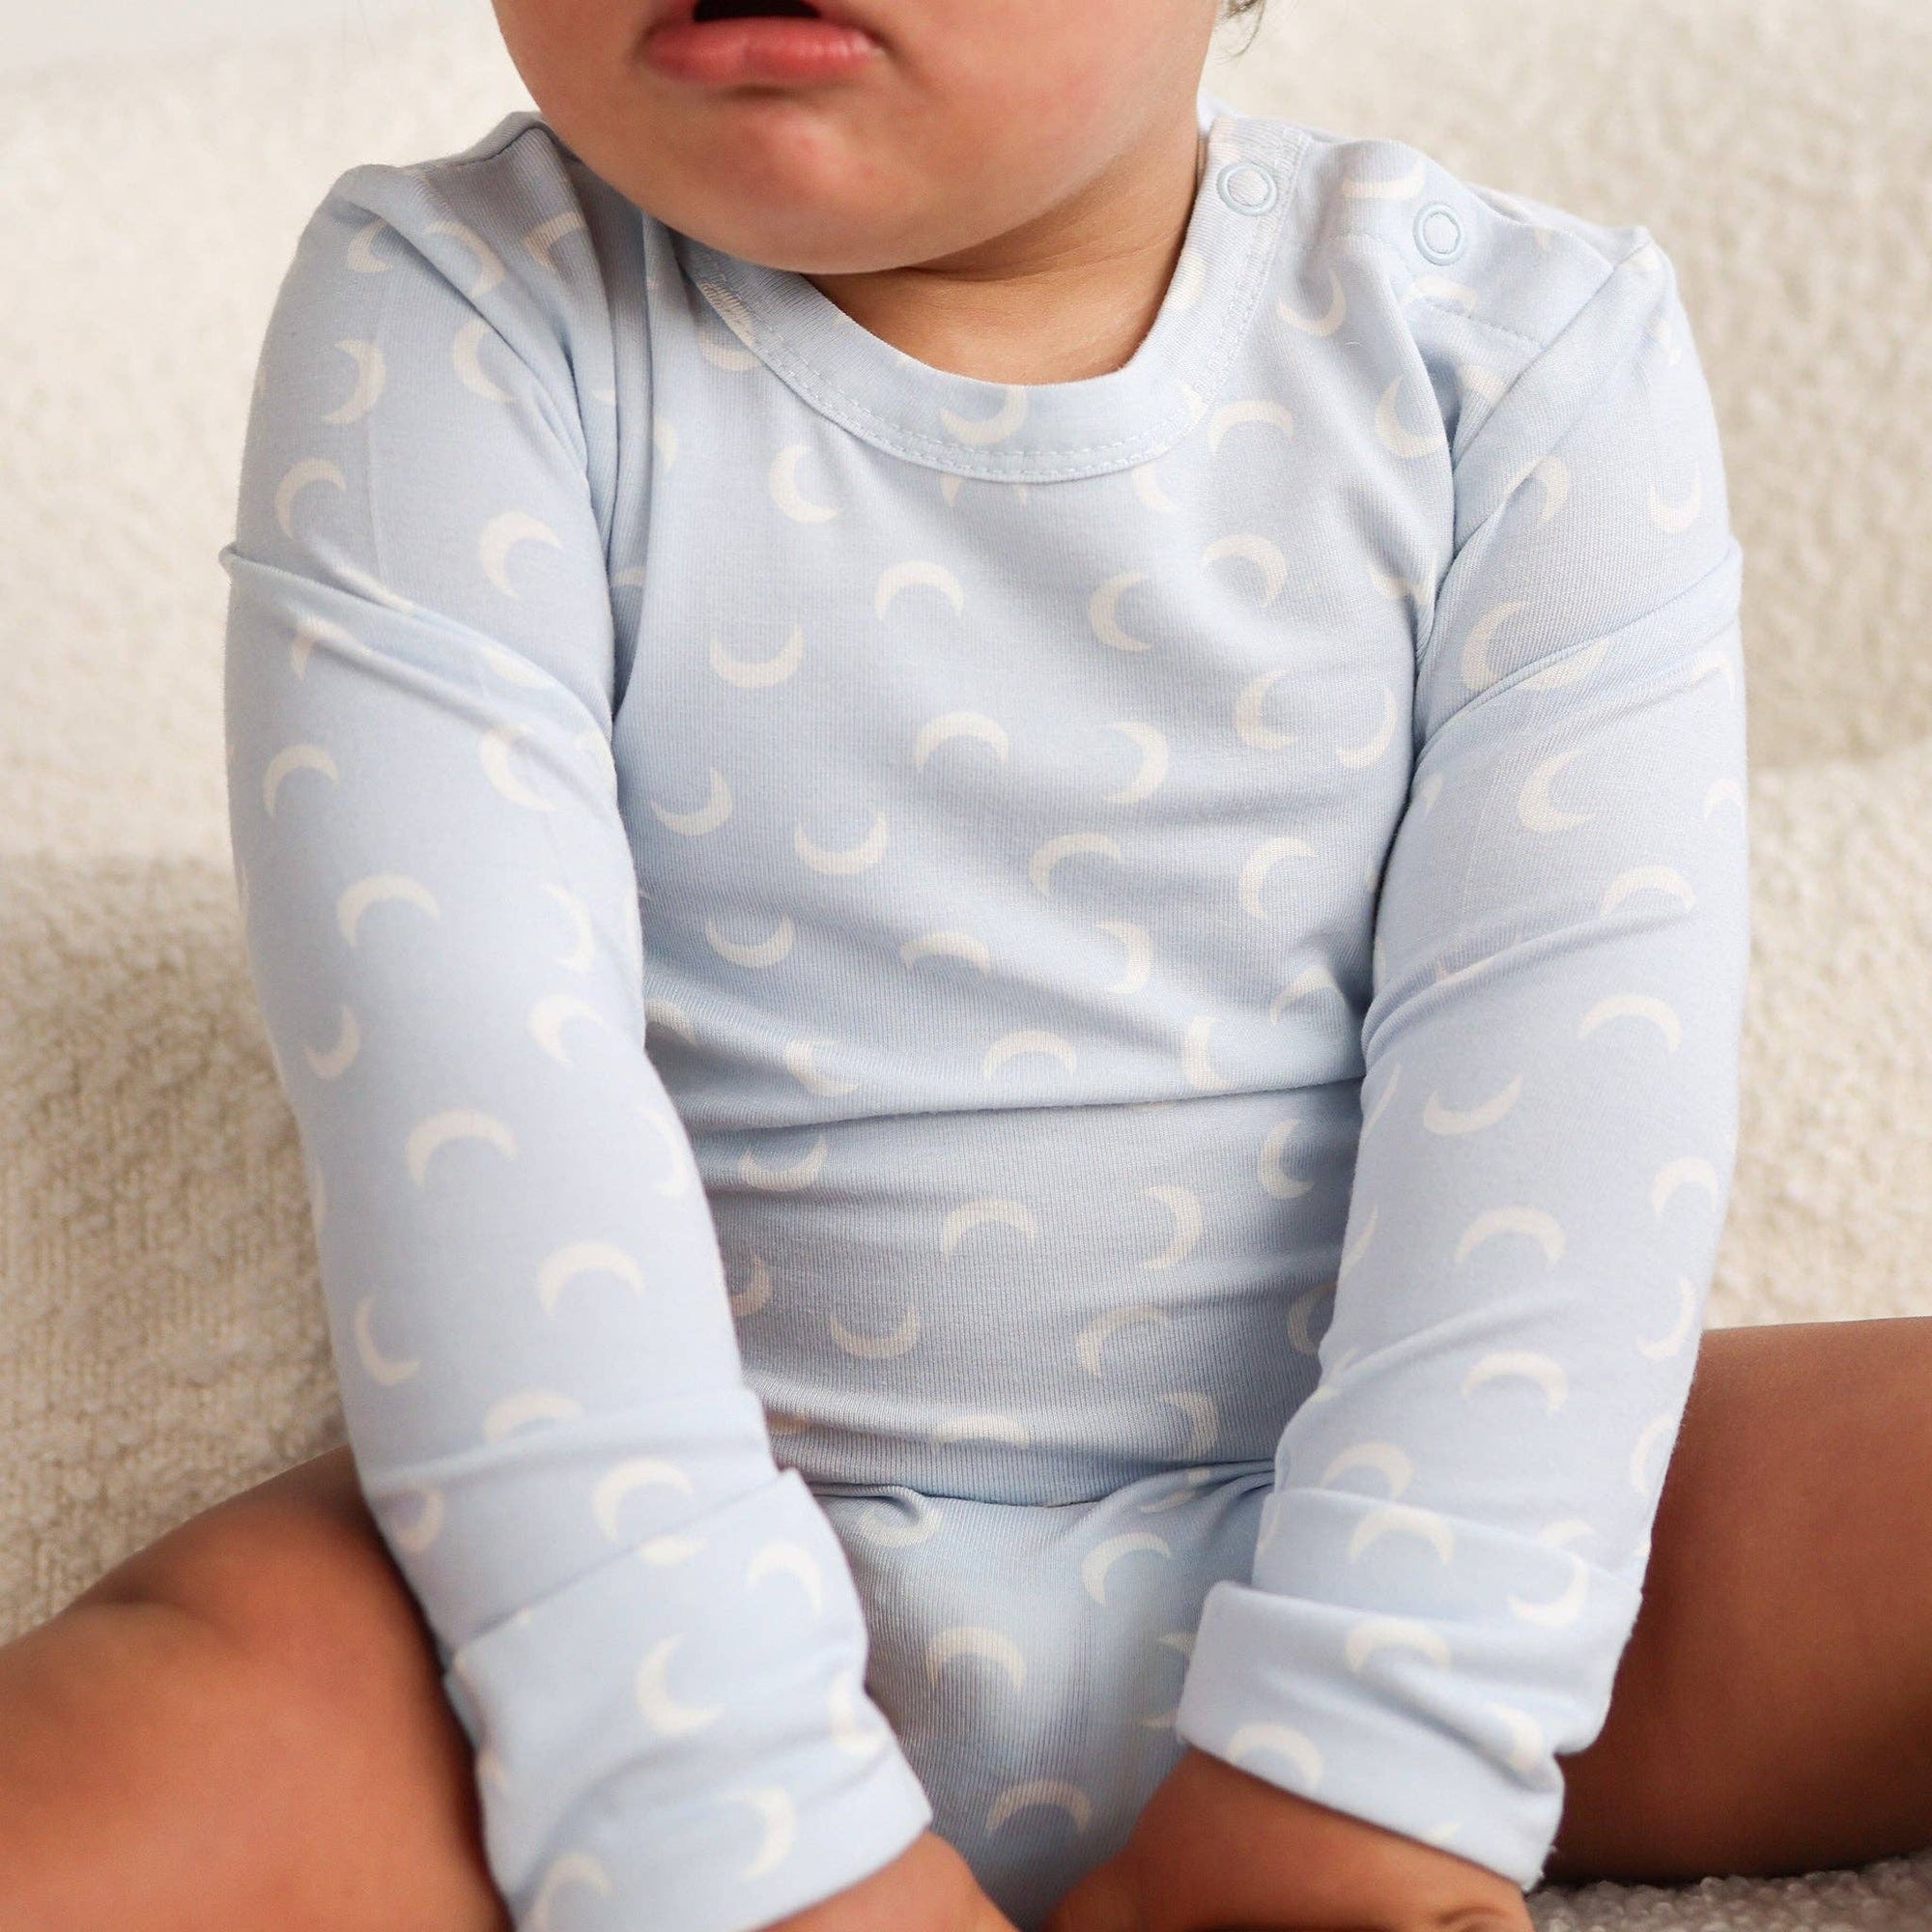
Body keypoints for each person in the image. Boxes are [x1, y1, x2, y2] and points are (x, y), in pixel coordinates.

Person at [7, 1, 1932, 1928]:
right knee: (127, 1771)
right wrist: (725, 1814)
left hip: (1405, 1525)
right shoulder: (457, 314)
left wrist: (1379, 1767)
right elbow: (476, 1099)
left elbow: (1568, 1135)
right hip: (631, 1582)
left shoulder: (1515, 357)